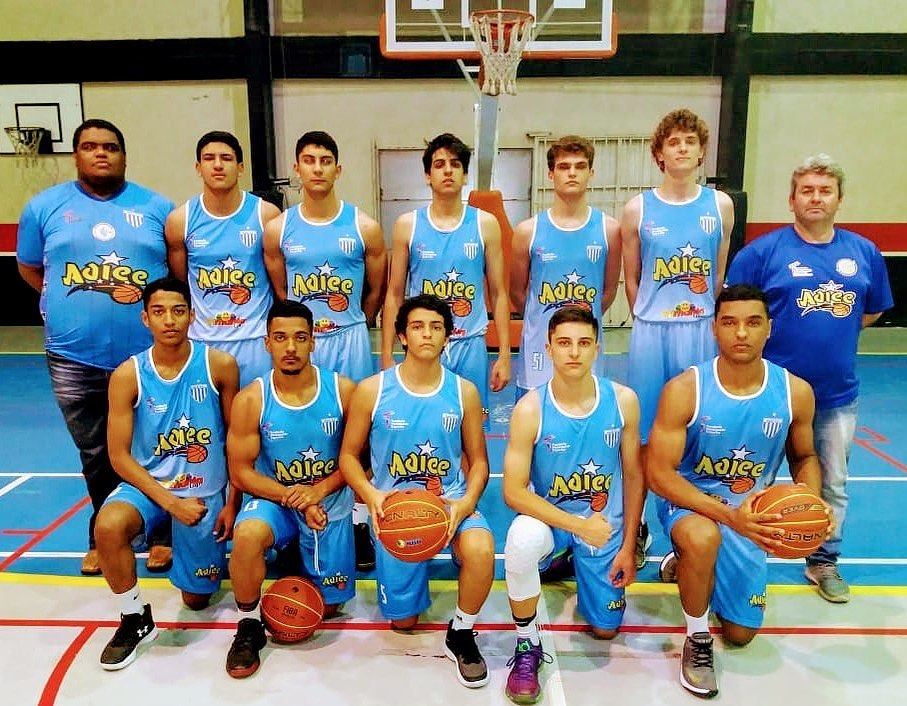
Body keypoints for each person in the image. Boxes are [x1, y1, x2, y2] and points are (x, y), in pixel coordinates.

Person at [646, 284, 829, 698]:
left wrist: (811, 502)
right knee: (702, 537)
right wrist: (729, 517)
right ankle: (697, 637)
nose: (741, 333)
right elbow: (659, 474)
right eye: (729, 323)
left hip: (752, 514)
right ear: (714, 329)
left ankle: (691, 565)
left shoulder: (795, 392)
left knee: (741, 633)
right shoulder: (686, 389)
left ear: (769, 328)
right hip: (690, 503)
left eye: (752, 322)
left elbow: (804, 457)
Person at [725, 154, 893, 604]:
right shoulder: (761, 254)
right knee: (744, 479)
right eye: (807, 191)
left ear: (839, 199)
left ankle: (823, 560)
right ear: (791, 200)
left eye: (825, 191)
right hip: (769, 395)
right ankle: (730, 553)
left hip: (835, 397)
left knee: (832, 483)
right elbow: (735, 313)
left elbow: (870, 311)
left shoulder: (863, 253)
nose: (815, 198)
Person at [15, 118, 174, 577]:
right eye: (90, 146)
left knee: (160, 444)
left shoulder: (157, 208)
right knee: (96, 453)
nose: (100, 153)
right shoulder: (44, 207)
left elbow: (173, 276)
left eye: (110, 146)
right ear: (76, 155)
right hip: (73, 356)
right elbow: (30, 269)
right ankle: (105, 534)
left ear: (124, 155)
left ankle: (163, 533)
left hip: (146, 357)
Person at [340, 294, 495, 689]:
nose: (427, 334)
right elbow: (348, 457)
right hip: (394, 512)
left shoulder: (463, 391)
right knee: (403, 623)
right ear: (402, 336)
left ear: (448, 336)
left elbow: (479, 462)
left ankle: (461, 631)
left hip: (449, 502)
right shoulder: (372, 390)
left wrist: (466, 503)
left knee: (480, 549)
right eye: (417, 326)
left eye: (436, 327)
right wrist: (370, 495)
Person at [94, 277, 240, 670]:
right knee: (108, 526)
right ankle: (134, 618)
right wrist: (171, 504)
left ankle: (200, 557)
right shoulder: (128, 375)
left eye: (178, 311)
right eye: (159, 312)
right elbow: (118, 456)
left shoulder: (220, 366)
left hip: (204, 491)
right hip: (150, 487)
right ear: (145, 319)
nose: (169, 320)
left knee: (196, 600)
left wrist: (233, 502)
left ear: (192, 316)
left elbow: (237, 443)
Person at [501, 306, 644, 704]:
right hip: (553, 521)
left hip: (604, 525)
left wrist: (629, 545)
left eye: (584, 343)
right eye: (564, 343)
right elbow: (513, 492)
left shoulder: (623, 401)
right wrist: (579, 527)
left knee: (605, 630)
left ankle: (571, 562)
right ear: (548, 348)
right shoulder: (530, 408)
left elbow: (634, 477)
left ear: (597, 348)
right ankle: (527, 643)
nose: (574, 352)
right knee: (521, 541)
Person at [262, 130, 387, 572]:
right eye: (309, 160)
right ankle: (294, 520)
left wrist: (352, 320)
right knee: (301, 432)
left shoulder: (364, 227)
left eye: (325, 160)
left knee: (356, 434)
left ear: (338, 168)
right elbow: (282, 293)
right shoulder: (278, 230)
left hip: (349, 337)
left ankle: (357, 523)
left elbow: (375, 291)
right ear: (297, 169)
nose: (317, 168)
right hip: (301, 342)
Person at [620, 108, 735, 569]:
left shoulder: (720, 206)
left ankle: (684, 533)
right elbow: (632, 280)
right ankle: (638, 526)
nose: (682, 147)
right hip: (652, 331)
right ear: (660, 154)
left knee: (695, 436)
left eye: (690, 141)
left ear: (702, 151)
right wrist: (651, 316)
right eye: (674, 141)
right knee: (646, 438)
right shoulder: (638, 209)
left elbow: (718, 274)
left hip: (699, 329)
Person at [224, 299, 356, 679]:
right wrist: (294, 497)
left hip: (328, 500)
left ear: (313, 341)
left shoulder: (343, 391)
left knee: (326, 609)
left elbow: (361, 460)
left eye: (300, 337)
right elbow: (240, 473)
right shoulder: (252, 399)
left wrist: (319, 491)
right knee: (247, 535)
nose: (291, 347)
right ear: (267, 343)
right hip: (275, 499)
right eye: (280, 338)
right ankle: (249, 624)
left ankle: (300, 558)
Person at [381, 132, 511, 424]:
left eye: (455, 164)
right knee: (423, 424)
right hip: (423, 343)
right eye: (439, 165)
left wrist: (504, 354)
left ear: (465, 175)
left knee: (474, 426)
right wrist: (387, 353)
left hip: (470, 345)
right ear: (428, 176)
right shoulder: (407, 225)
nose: (448, 170)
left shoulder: (485, 224)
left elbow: (499, 293)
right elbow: (394, 293)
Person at [165, 130, 282, 388]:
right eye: (209, 158)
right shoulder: (180, 220)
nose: (218, 165)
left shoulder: (266, 215)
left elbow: (279, 284)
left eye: (226, 158)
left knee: (255, 411)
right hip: (203, 341)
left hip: (255, 340)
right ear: (198, 167)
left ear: (240, 167)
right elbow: (181, 285)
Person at [510, 135, 622, 400]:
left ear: (591, 173)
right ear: (550, 174)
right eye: (563, 167)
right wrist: (542, 318)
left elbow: (607, 293)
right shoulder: (527, 231)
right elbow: (517, 294)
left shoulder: (609, 230)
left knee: (585, 415)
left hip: (585, 349)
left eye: (580, 166)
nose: (572, 173)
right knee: (534, 419)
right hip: (539, 351)